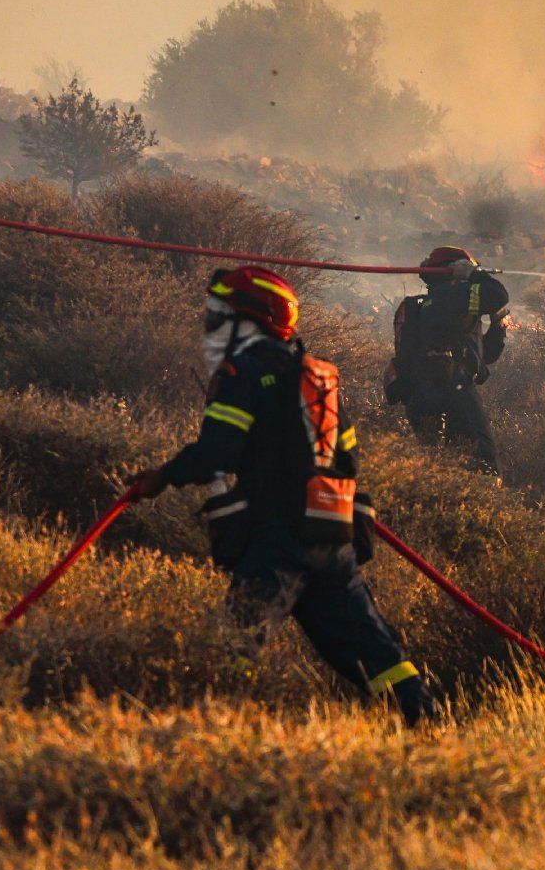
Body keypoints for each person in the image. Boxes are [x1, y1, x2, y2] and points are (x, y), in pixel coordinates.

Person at [130, 266, 436, 726]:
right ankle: (428, 723)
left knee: (235, 640)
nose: (210, 322)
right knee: (374, 652)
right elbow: (348, 460)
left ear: (247, 320)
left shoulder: (243, 371)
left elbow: (218, 450)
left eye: (218, 313)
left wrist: (161, 477)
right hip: (332, 541)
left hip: (279, 538)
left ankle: (212, 730)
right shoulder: (319, 377)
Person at [383, 245, 511, 474]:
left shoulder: (429, 306)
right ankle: (479, 506)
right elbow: (498, 294)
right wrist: (476, 275)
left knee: (437, 465)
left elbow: (483, 357)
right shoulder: (451, 296)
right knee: (483, 462)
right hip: (453, 388)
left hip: (423, 394)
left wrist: (498, 327)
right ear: (454, 271)